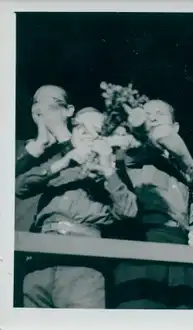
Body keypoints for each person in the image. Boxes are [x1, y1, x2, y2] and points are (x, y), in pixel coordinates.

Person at [16, 107, 138, 308]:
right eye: (79, 126)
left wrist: (107, 169)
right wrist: (65, 161)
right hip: (40, 259)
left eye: (93, 128)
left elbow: (129, 211)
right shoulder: (58, 165)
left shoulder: (114, 173)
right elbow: (20, 188)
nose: (83, 132)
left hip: (83, 263)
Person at [112, 99, 193, 309]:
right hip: (143, 246)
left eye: (159, 113)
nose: (152, 117)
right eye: (147, 113)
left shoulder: (178, 164)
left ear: (177, 126)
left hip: (181, 252)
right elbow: (161, 134)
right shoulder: (134, 150)